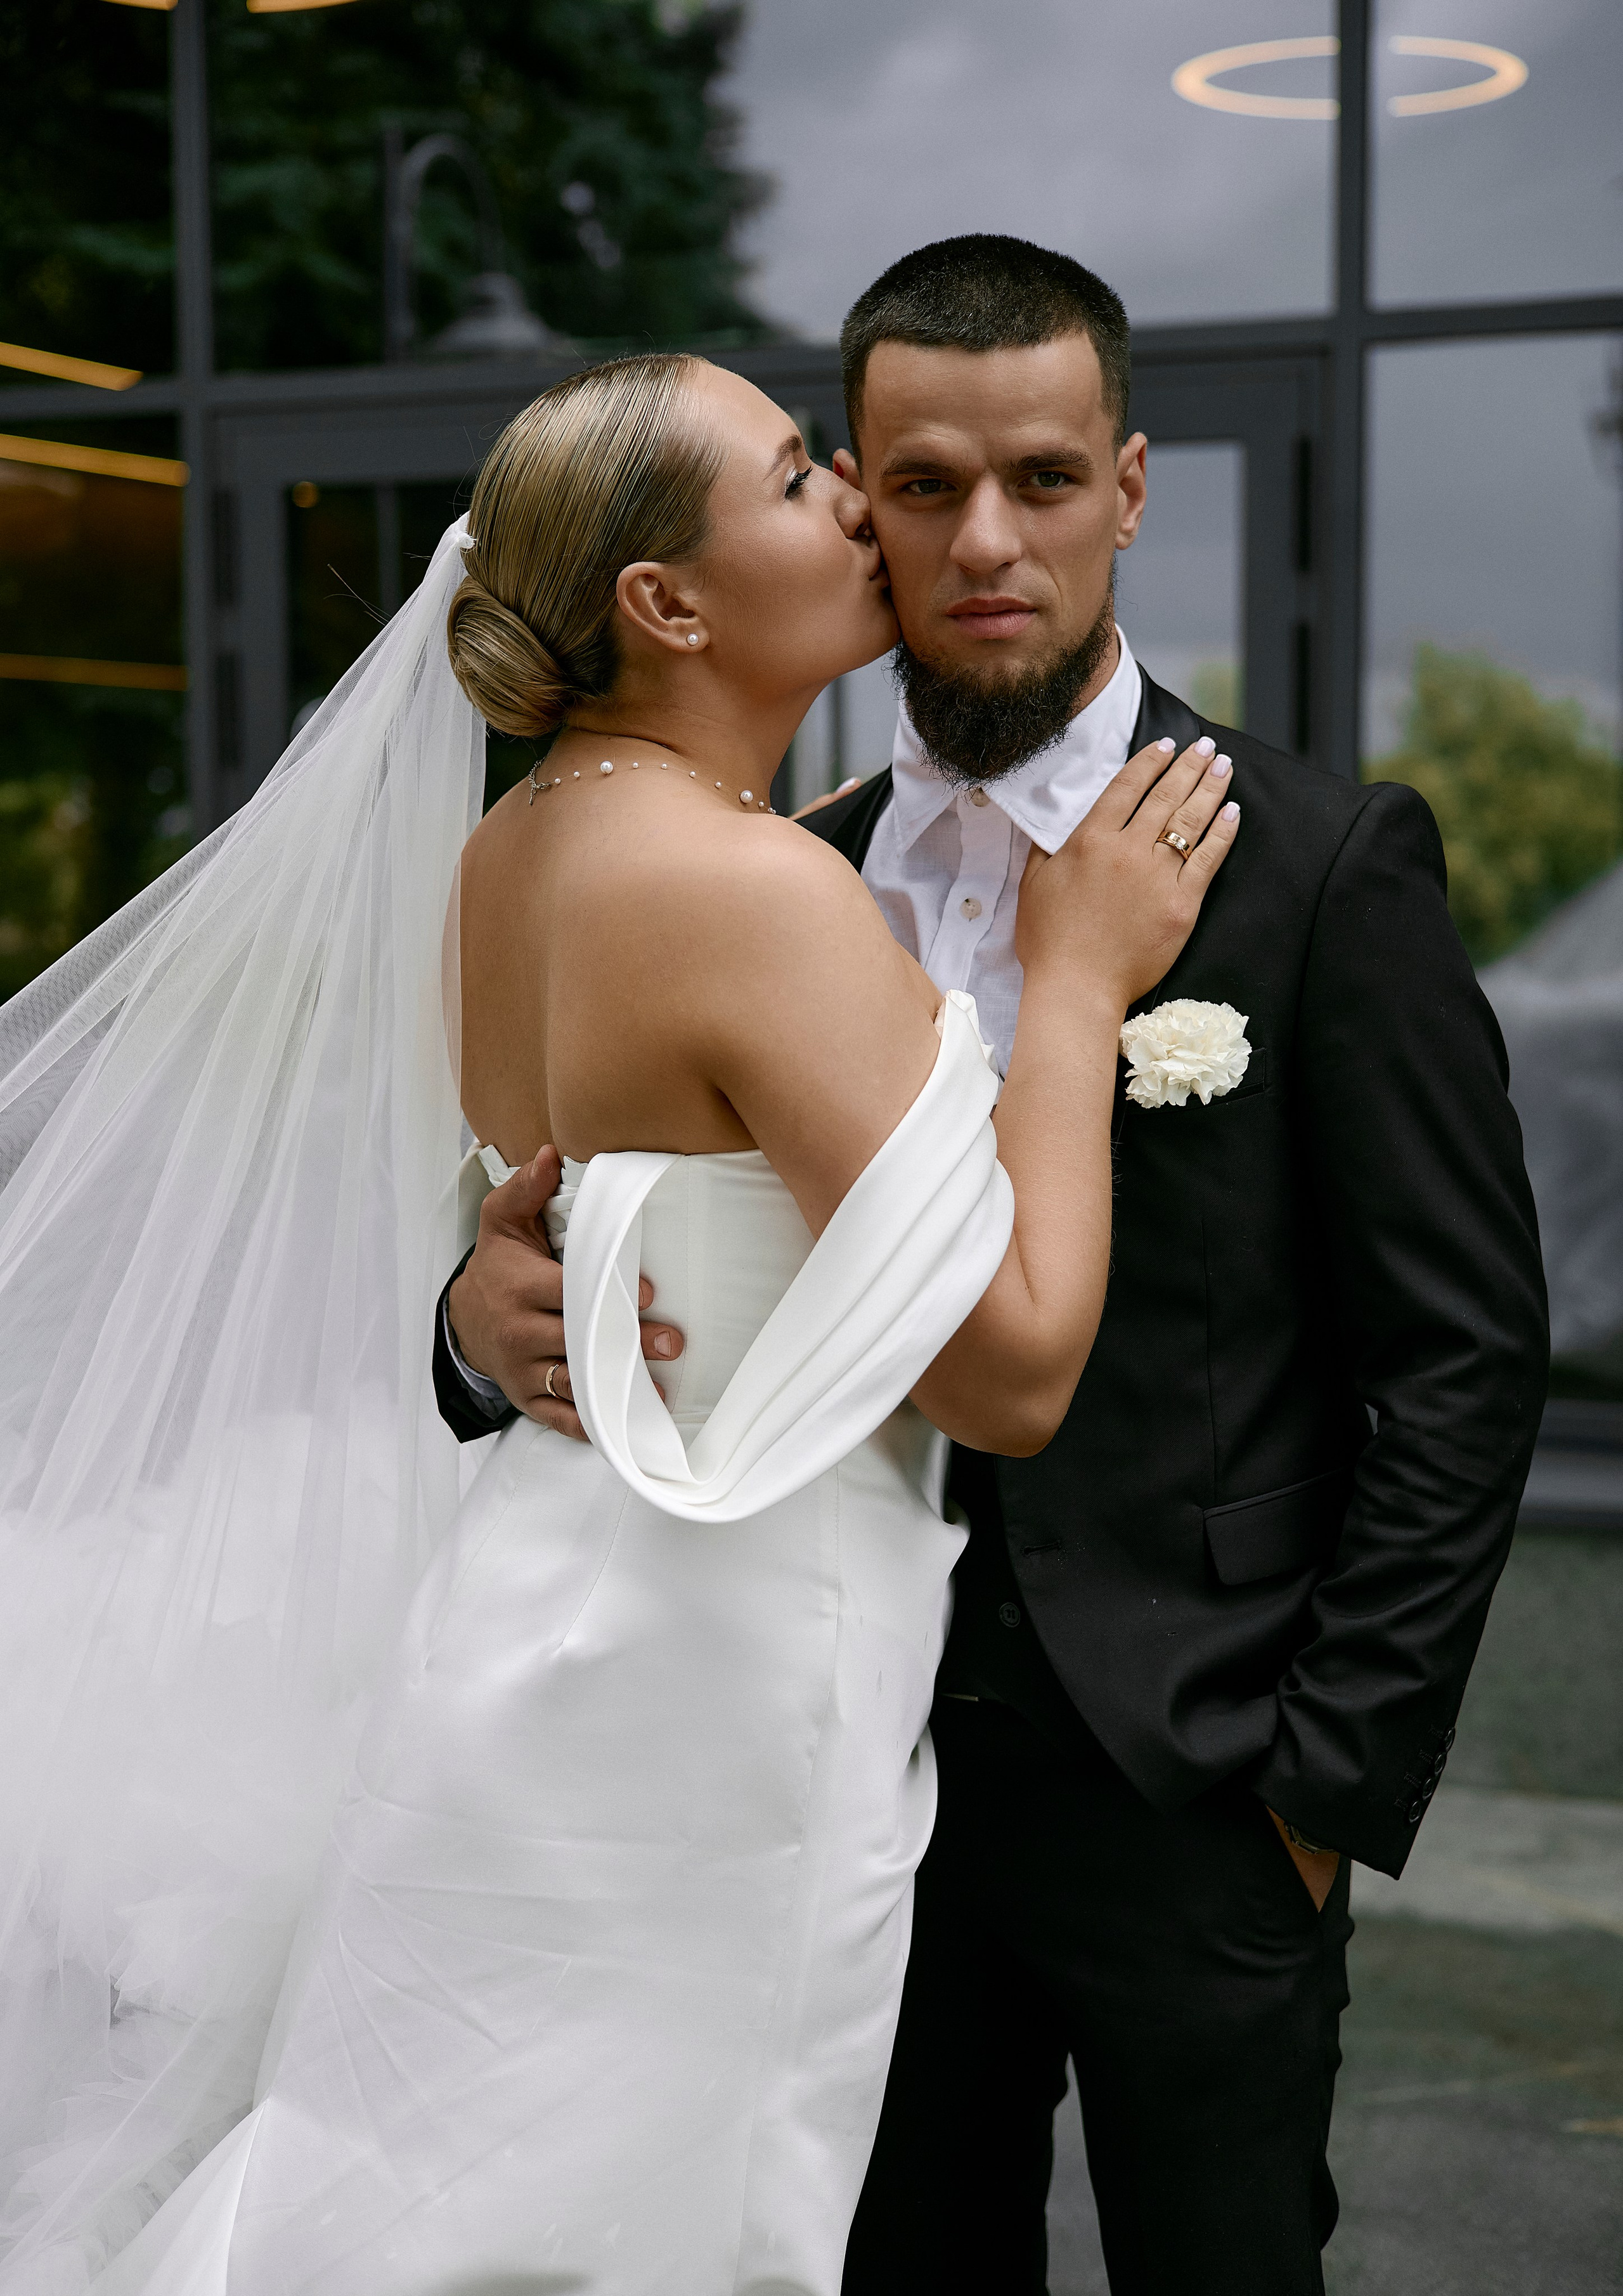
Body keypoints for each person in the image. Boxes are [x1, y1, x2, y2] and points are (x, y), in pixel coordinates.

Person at [0, 351, 1237, 2292]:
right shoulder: (750, 886)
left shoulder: (506, 860)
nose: (848, 497)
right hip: (723, 1682)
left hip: (529, 1617)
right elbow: (1005, 1373)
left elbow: (545, 1217)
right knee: (653, 2206)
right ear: (666, 602)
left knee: (421, 2161)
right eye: (793, 473)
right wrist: (1075, 991)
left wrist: (479, 1299)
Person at [437, 239, 1550, 2296]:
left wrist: (1319, 1790)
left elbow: (1465, 1360)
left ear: (1128, 487)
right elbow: (585, 1210)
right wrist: (476, 1325)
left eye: (1043, 480)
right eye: (920, 484)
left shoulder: (1315, 865)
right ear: (856, 498)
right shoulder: (772, 861)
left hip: (1198, 1788)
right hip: (824, 1776)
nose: (985, 539)